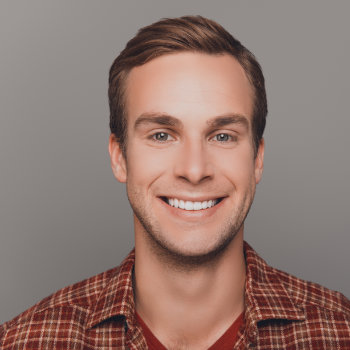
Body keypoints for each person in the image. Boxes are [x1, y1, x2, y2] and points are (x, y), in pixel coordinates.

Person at [1, 15, 349, 350]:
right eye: (162, 134)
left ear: (257, 159)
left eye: (223, 136)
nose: (194, 170)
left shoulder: (340, 332)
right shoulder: (23, 341)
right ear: (119, 156)